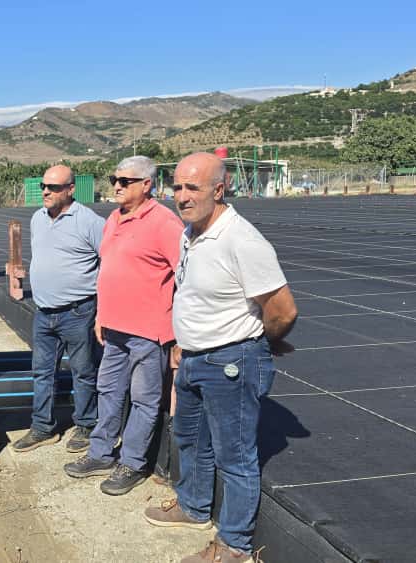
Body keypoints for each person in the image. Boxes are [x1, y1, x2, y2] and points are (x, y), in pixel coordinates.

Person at [144, 152, 297, 563]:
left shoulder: (241, 240)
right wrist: (183, 342)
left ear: (219, 189)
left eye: (192, 187)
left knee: (235, 457)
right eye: (177, 187)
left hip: (230, 363)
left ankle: (234, 546)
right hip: (194, 358)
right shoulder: (190, 232)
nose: (182, 196)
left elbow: (283, 310)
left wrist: (261, 341)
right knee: (189, 436)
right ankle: (194, 507)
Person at [63, 156, 183, 496]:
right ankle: (100, 453)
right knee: (109, 391)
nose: (116, 185)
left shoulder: (164, 223)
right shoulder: (114, 218)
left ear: (146, 184)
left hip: (148, 332)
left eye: (125, 181)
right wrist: (101, 316)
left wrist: (181, 333)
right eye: (114, 179)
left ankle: (132, 463)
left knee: (144, 400)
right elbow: (107, 271)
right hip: (113, 328)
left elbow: (186, 275)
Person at [11, 164, 104, 454]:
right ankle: (43, 427)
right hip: (44, 312)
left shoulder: (90, 222)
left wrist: (103, 311)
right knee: (42, 372)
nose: (46, 192)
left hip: (78, 312)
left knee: (83, 371)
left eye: (53, 187)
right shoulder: (38, 218)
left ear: (70, 189)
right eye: (43, 186)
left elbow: (109, 263)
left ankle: (86, 425)